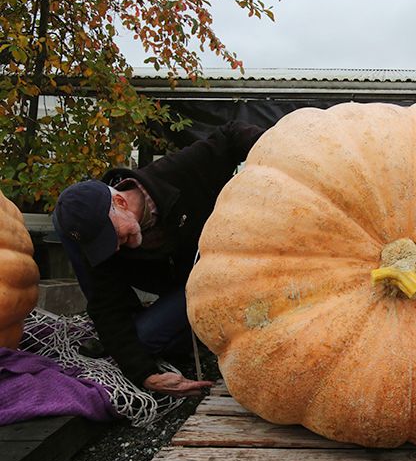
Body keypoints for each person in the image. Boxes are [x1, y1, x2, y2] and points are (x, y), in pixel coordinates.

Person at [53, 121, 265, 397]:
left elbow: (230, 136)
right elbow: (105, 305)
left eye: (112, 235)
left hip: (230, 270)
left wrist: (277, 150)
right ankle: (187, 335)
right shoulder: (99, 246)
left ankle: (199, 333)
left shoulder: (179, 172)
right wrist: (146, 375)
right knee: (143, 341)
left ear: (120, 203)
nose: (114, 247)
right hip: (186, 288)